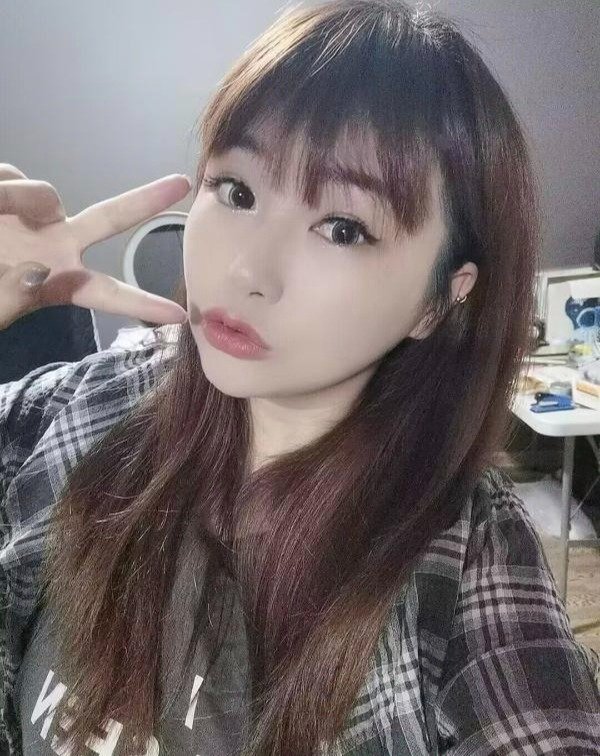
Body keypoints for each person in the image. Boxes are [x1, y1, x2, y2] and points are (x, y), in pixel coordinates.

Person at [0, 1, 599, 754]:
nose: (246, 270)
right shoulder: (92, 402)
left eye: (342, 228)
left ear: (439, 300)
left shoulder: (466, 554)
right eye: (237, 191)